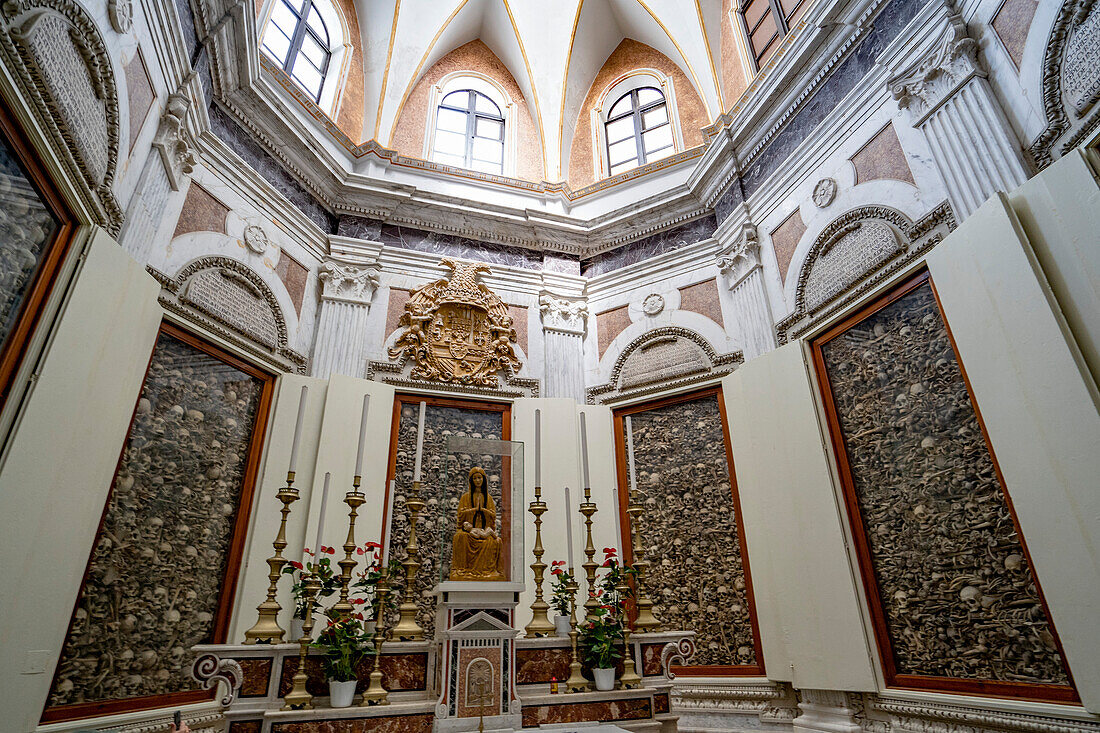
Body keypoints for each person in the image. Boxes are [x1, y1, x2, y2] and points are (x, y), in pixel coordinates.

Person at [450, 467, 504, 581]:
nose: (478, 480)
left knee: (494, 541)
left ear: (483, 479)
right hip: (469, 530)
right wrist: (473, 510)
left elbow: (493, 516)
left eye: (479, 478)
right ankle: (463, 569)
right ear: (471, 480)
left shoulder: (488, 498)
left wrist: (483, 511)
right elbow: (460, 515)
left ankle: (487, 571)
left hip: (484, 529)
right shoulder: (465, 497)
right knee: (460, 537)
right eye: (475, 478)